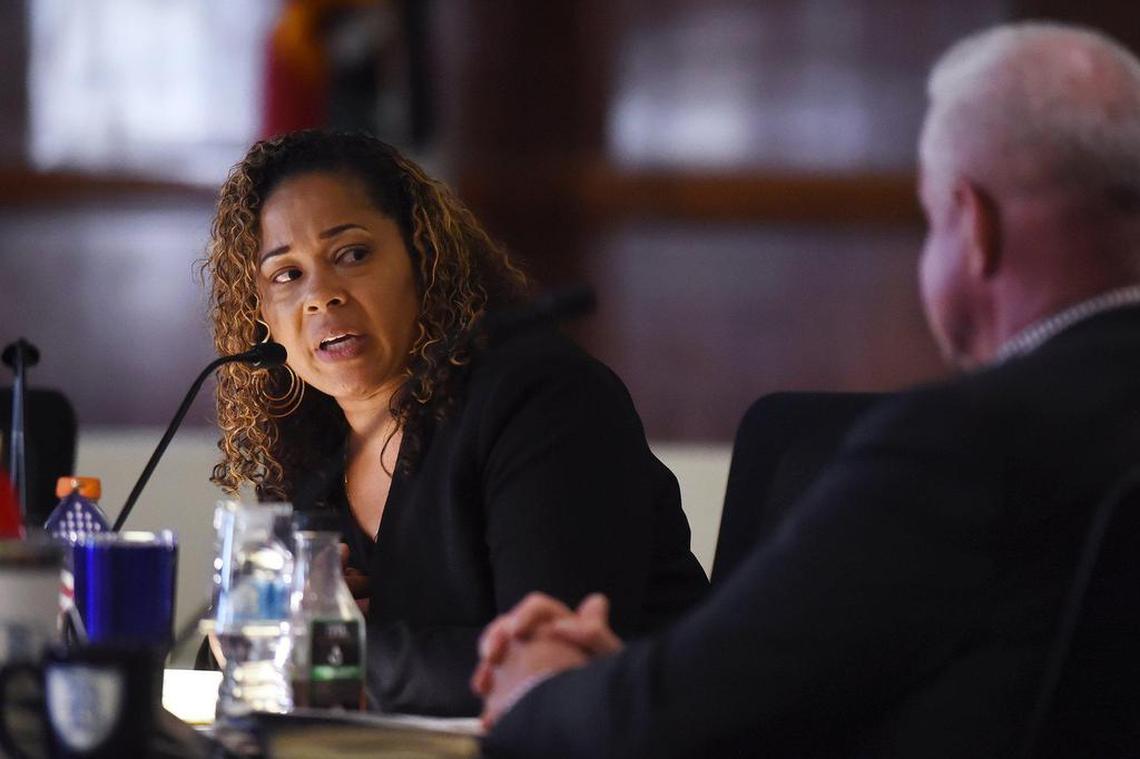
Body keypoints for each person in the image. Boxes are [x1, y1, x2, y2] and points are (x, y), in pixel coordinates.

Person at [473, 21, 1140, 757]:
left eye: (929, 221)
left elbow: (678, 717)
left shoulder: (965, 445)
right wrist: (635, 681)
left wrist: (542, 691)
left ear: (971, 223)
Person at [202, 130, 708, 716]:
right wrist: (243, 638)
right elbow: (249, 670)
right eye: (286, 274)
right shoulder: (305, 449)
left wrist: (325, 654)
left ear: (423, 258)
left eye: (352, 254)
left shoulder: (545, 401)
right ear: (260, 313)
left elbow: (544, 667)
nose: (321, 295)